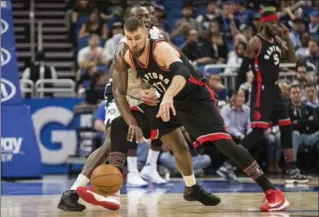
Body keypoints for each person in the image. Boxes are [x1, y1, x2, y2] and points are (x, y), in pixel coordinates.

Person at [108, 17, 289, 212]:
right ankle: (111, 192)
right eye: (129, 38)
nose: (133, 43)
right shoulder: (128, 55)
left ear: (145, 34)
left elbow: (182, 72)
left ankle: (272, 192)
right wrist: (141, 92)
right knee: (121, 122)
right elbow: (128, 87)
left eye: (137, 38)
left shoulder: (160, 48)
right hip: (171, 101)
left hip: (196, 99)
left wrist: (168, 95)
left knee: (225, 145)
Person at [58, 6, 219, 212]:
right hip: (123, 95)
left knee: (178, 142)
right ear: (131, 22)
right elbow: (118, 88)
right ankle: (72, 192)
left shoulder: (159, 37)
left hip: (149, 96)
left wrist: (162, 94)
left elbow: (170, 69)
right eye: (141, 16)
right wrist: (137, 96)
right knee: (111, 142)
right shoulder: (124, 47)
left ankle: (191, 186)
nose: (147, 19)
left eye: (148, 16)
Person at [235, 8, 308, 184]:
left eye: (276, 22)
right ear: (263, 23)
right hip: (261, 89)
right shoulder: (255, 42)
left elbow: (292, 59)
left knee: (287, 127)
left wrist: (288, 37)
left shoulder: (276, 40)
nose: (275, 26)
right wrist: (236, 91)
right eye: (271, 23)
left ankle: (291, 168)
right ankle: (229, 164)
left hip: (275, 89)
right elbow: (243, 69)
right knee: (259, 131)